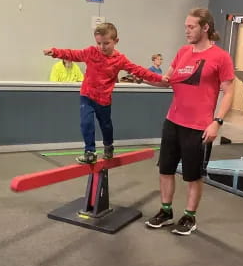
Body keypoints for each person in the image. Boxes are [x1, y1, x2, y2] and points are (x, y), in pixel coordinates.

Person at [145, 8, 235, 236]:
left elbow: (229, 91)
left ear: (205, 27)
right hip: (173, 121)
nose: (186, 30)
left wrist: (217, 122)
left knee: (193, 175)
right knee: (165, 169)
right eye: (185, 26)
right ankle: (166, 211)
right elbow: (167, 81)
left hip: (199, 126)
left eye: (191, 26)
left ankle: (189, 216)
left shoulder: (220, 57)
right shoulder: (183, 52)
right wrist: (144, 77)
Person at [43, 22, 166, 164]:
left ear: (116, 41)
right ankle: (90, 152)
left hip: (104, 100)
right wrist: (55, 52)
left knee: (106, 125)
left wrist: (160, 78)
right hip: (87, 96)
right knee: (86, 123)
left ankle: (108, 146)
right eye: (99, 43)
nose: (102, 47)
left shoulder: (120, 60)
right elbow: (73, 54)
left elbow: (138, 70)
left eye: (106, 43)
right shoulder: (91, 52)